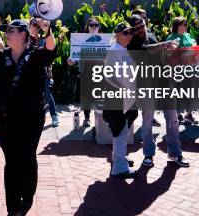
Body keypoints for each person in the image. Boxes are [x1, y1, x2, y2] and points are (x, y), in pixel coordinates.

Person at [0, 19, 56, 215]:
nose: (7, 34)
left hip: (32, 118)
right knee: (12, 161)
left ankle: (27, 196)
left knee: (27, 157)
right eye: (6, 31)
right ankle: (13, 207)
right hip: (5, 118)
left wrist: (47, 29)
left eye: (11, 31)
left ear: (24, 34)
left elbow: (51, 49)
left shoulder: (35, 57)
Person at [129, 14, 190, 168]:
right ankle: (148, 154)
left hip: (164, 81)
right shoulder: (131, 42)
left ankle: (175, 153)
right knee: (147, 121)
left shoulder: (151, 33)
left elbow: (161, 55)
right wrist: (162, 45)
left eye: (142, 25)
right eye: (137, 28)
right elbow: (145, 51)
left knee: (173, 119)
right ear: (133, 30)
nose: (141, 29)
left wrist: (169, 50)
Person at [102, 22, 139, 178]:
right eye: (126, 33)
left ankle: (120, 158)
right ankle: (119, 167)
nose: (129, 36)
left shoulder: (122, 50)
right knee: (120, 131)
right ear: (117, 35)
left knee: (122, 130)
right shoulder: (115, 51)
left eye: (131, 33)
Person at [67, 17, 101, 127]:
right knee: (87, 97)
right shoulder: (80, 41)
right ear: (88, 27)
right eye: (92, 25)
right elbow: (74, 59)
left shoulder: (105, 41)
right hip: (86, 72)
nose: (94, 27)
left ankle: (100, 121)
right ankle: (87, 118)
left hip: (101, 73)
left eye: (96, 25)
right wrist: (71, 61)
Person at [166, 17, 199, 125]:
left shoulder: (188, 35)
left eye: (186, 24)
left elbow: (194, 45)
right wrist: (182, 50)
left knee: (191, 91)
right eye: (184, 24)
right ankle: (178, 114)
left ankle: (188, 114)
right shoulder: (172, 37)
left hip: (191, 67)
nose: (186, 26)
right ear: (177, 26)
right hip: (178, 69)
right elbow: (168, 53)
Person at [29, 17, 59, 127]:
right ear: (29, 26)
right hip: (29, 74)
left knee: (47, 93)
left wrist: (50, 71)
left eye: (38, 25)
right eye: (34, 25)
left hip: (43, 71)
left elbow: (49, 56)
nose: (37, 27)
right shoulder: (25, 40)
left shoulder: (43, 39)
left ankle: (54, 115)